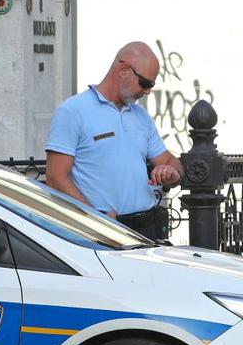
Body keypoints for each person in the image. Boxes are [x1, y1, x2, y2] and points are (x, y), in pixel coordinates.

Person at [45, 41, 183, 239]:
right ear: (124, 70)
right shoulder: (73, 111)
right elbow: (55, 177)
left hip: (147, 228)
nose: (147, 91)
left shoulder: (141, 116)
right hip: (98, 231)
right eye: (145, 83)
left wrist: (172, 173)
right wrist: (95, 219)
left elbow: (171, 162)